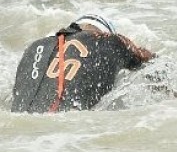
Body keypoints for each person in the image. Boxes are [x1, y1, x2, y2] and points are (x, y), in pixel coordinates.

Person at [11, 14, 155, 113]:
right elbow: (150, 60)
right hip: (67, 123)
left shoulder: (35, 46)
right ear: (105, 32)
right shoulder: (112, 41)